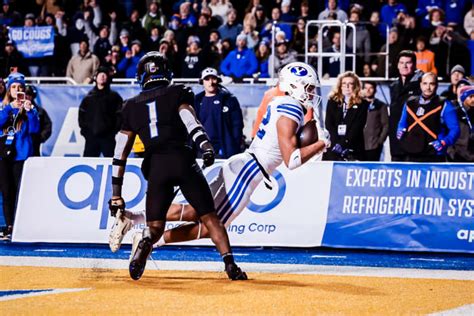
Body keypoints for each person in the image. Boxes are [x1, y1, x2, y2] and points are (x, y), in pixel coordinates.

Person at [109, 62, 329, 259]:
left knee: (199, 211)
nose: (311, 92)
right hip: (249, 170)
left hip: (244, 164)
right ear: (295, 85)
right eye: (308, 87)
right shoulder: (290, 107)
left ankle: (132, 218)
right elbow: (292, 160)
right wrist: (323, 143)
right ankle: (152, 241)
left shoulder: (280, 102)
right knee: (212, 225)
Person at [108, 52, 247, 281]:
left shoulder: (131, 106)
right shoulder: (179, 92)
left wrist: (116, 195)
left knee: (155, 227)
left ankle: (146, 241)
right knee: (210, 217)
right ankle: (229, 263)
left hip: (157, 168)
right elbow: (190, 120)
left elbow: (119, 153)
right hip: (183, 160)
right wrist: (205, 145)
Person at [0, 73, 40, 240]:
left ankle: (20, 224)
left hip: (21, 154)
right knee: (6, 192)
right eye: (14, 87)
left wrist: (30, 112)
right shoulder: (3, 107)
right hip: (3, 155)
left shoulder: (30, 108)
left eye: (20, 88)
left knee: (19, 192)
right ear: (9, 90)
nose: (17, 90)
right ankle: (9, 225)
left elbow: (34, 130)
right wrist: (9, 108)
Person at [396, 72, 460, 162]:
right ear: (420, 85)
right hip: (411, 152)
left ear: (437, 86)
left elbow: (455, 129)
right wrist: (400, 130)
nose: (428, 87)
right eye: (425, 83)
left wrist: (444, 142)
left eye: (431, 84)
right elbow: (402, 123)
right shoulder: (409, 102)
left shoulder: (445, 104)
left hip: (434, 154)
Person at [194, 68, 243, 159]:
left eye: (213, 78)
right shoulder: (196, 101)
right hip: (202, 149)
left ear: (218, 80)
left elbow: (237, 125)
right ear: (202, 81)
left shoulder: (229, 100)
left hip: (224, 149)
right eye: (207, 79)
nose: (211, 82)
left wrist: (234, 146)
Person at [323, 71, 368, 161]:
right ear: (340, 85)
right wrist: (337, 143)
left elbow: (358, 127)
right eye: (344, 83)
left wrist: (343, 144)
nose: (347, 86)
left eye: (350, 84)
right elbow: (329, 124)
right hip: (334, 146)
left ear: (355, 86)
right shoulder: (332, 101)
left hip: (353, 146)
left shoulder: (362, 103)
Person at [78, 66, 122, 157]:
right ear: (96, 78)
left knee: (112, 164)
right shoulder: (89, 97)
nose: (102, 76)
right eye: (100, 74)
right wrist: (86, 133)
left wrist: (113, 132)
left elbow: (120, 115)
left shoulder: (114, 97)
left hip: (108, 138)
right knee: (88, 163)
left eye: (104, 74)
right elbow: (81, 116)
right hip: (91, 138)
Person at [388, 50, 423, 161]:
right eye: (402, 62)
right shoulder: (393, 86)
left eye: (408, 63)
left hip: (413, 139)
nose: (404, 66)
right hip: (395, 140)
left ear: (414, 65)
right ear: (398, 65)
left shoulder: (421, 85)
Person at [362, 81, 389, 161]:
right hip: (359, 144)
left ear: (375, 90)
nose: (368, 90)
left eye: (370, 88)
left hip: (373, 145)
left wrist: (380, 141)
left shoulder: (380, 105)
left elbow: (386, 125)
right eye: (366, 88)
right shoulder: (358, 104)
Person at [447, 83, 474, 162]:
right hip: (457, 158)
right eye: (471, 97)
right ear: (463, 97)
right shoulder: (454, 112)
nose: (473, 99)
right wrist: (452, 153)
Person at [25, 85, 52, 156]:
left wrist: (39, 138)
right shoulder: (16, 109)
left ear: (33, 96)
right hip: (20, 145)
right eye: (25, 94)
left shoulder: (40, 111)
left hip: (34, 145)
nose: (26, 97)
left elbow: (48, 126)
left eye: (29, 94)